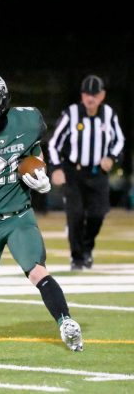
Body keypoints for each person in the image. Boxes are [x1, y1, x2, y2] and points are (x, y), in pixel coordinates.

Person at [0, 71, 83, 352]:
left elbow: (35, 157)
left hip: (20, 216)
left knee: (37, 271)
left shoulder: (26, 121)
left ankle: (66, 322)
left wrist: (42, 179)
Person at [47, 74, 125, 271]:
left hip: (98, 173)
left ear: (102, 96)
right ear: (82, 95)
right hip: (73, 172)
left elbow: (120, 140)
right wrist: (56, 168)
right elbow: (54, 143)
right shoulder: (71, 114)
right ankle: (77, 258)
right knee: (75, 215)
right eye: (86, 94)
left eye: (94, 94)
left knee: (98, 214)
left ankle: (87, 248)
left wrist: (111, 157)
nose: (90, 98)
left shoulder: (108, 114)